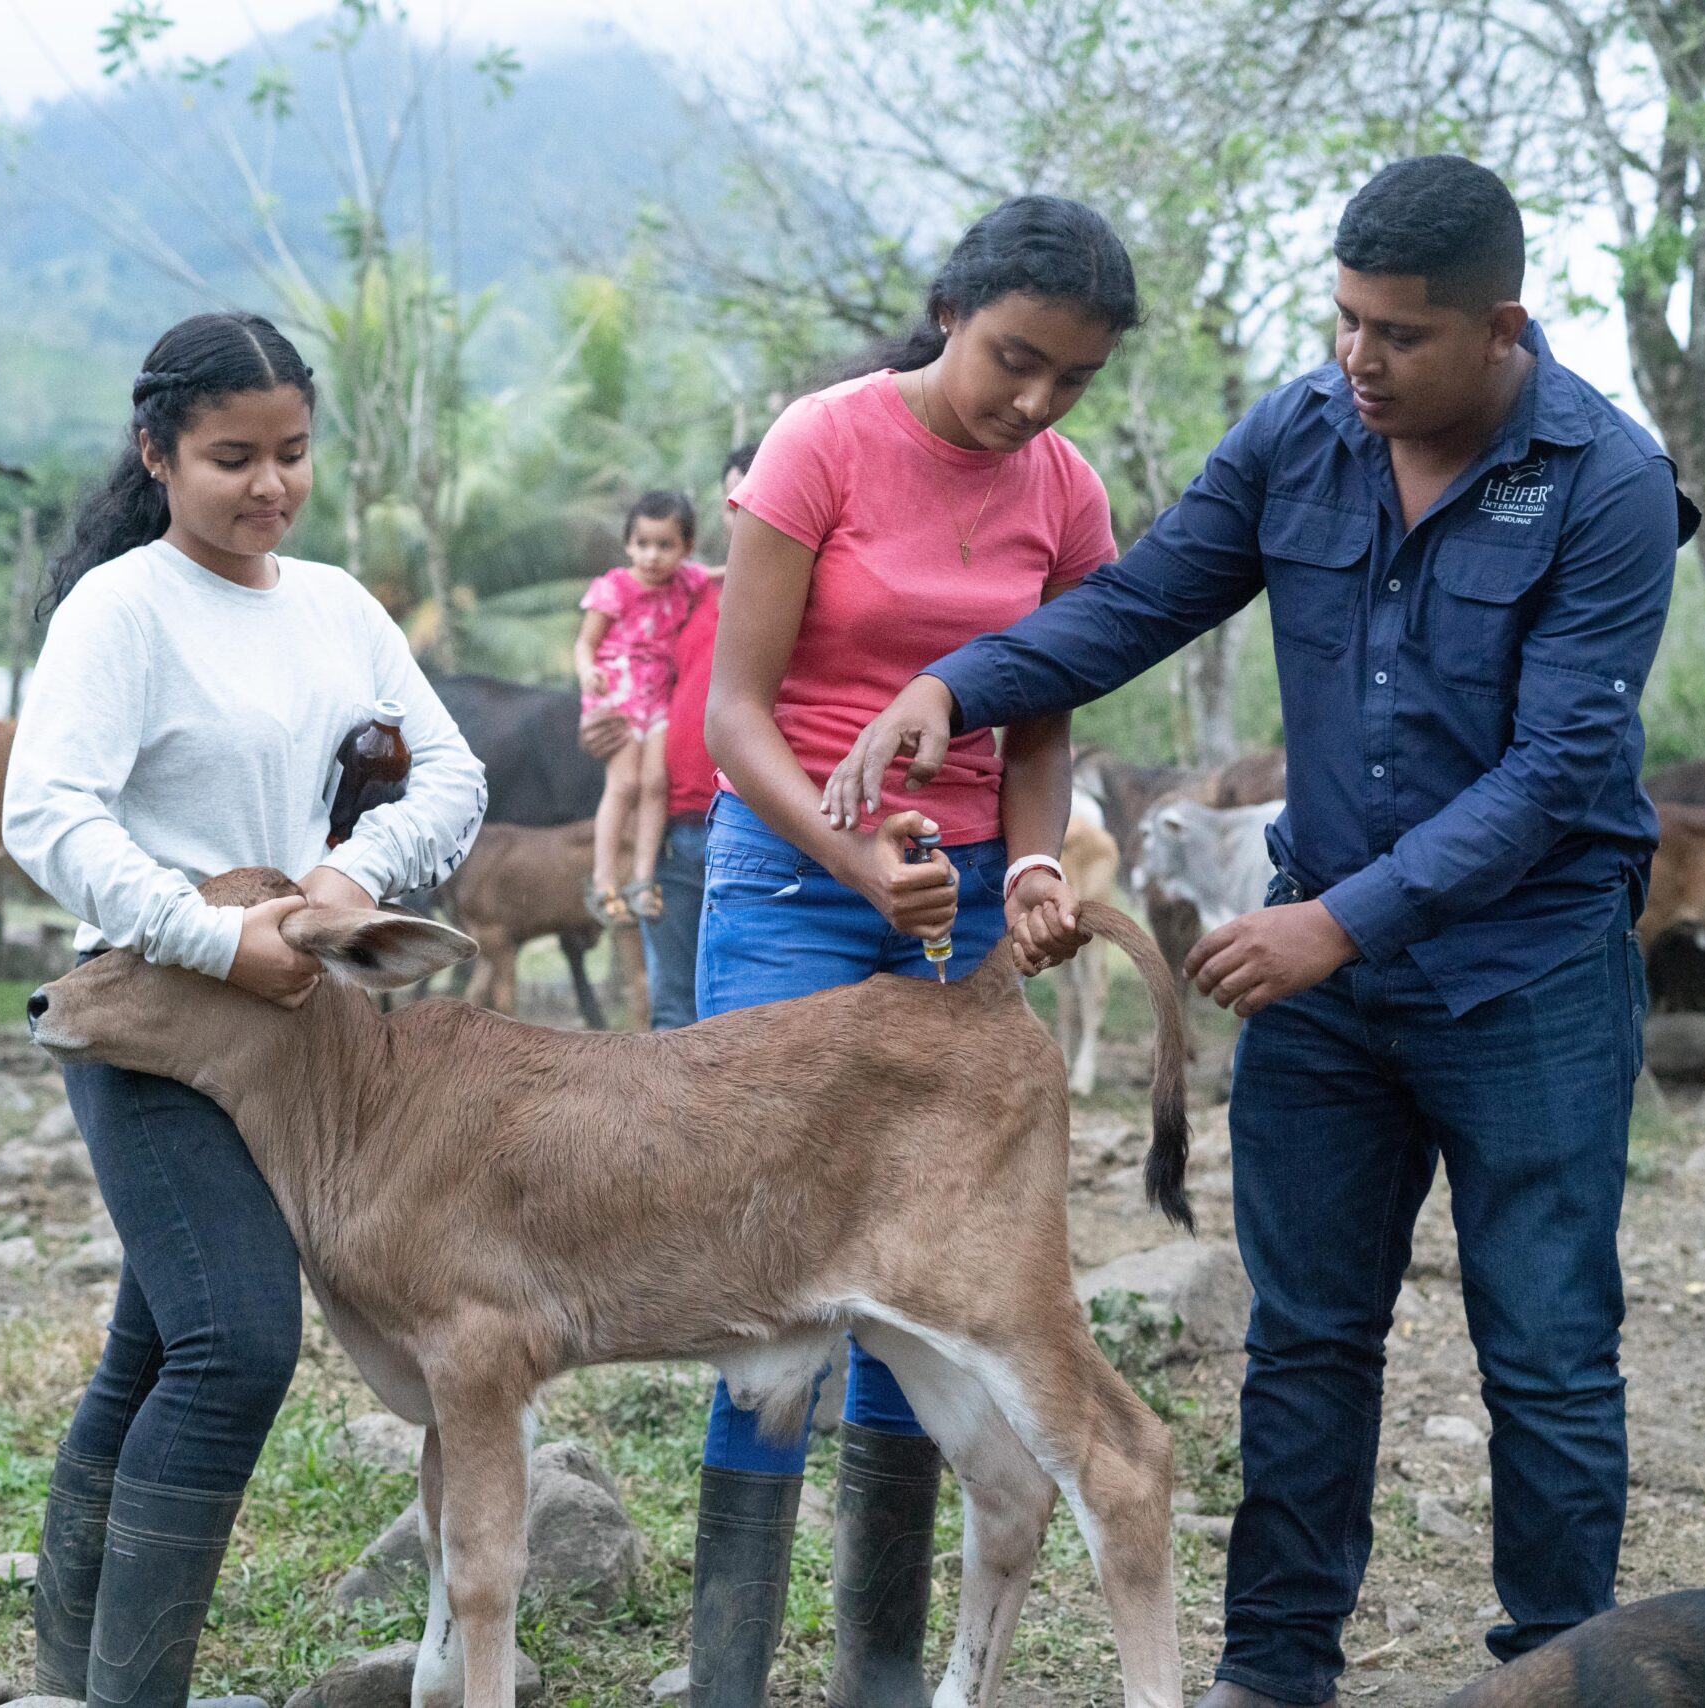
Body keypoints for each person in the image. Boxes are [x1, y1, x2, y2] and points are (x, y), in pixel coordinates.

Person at [834, 157, 1697, 1708]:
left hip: (1529, 977)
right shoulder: (1305, 431)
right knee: (1305, 1341)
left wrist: (1336, 927)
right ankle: (1274, 1670)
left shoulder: (1608, 484)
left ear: (1504, 327)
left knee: (1549, 1354)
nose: (1359, 359)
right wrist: (967, 683)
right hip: (1323, 976)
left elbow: (1559, 768)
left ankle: (1554, 1678)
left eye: (1400, 335)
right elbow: (1143, 600)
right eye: (1344, 321)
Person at [686, 194, 1139, 1708]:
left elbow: (1043, 723)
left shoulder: (1067, 494)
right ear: (952, 310)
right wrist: (849, 857)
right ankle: (729, 1678)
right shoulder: (822, 441)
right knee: (763, 1273)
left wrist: (1022, 870)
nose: (1033, 401)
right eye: (1015, 358)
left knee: (924, 1284)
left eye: (1070, 379)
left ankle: (882, 1675)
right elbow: (731, 715)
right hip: (791, 882)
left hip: (947, 913)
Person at [0, 311, 487, 1706]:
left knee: (160, 1335)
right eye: (230, 458)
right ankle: (127, 1693)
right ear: (157, 452)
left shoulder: (333, 602)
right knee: (233, 1346)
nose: (268, 485)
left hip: (294, 1018)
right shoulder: (122, 608)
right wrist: (208, 934)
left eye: (290, 454)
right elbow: (48, 810)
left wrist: (348, 876)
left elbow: (447, 777)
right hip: (156, 1010)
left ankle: (71, 1673)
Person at [581, 443, 756, 1029]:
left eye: (761, 488)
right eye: (736, 495)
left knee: (753, 1012)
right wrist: (597, 723)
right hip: (676, 834)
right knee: (674, 1008)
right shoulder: (690, 590)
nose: (747, 505)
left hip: (761, 831)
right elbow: (628, 662)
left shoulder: (820, 588)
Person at [575, 491, 711, 926]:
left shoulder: (686, 582)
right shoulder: (615, 587)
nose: (652, 556)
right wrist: (586, 673)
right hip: (617, 691)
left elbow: (720, 572)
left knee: (655, 781)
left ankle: (642, 878)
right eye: (643, 544)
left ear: (685, 549)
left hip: (657, 695)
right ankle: (602, 880)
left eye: (665, 545)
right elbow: (586, 643)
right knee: (625, 784)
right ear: (629, 544)